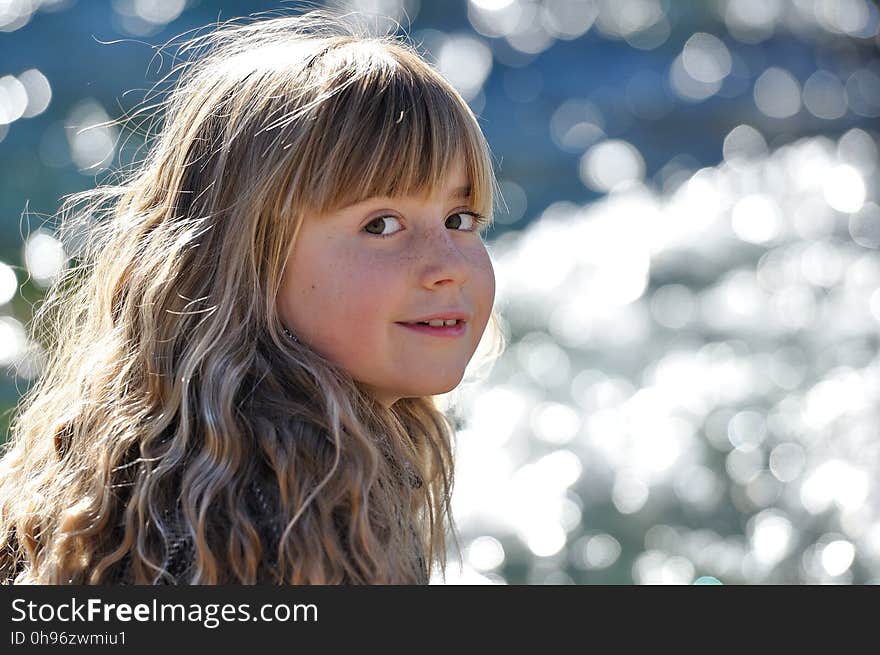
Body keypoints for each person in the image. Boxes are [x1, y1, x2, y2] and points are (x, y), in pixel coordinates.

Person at [0, 8, 504, 585]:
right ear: (245, 261)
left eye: (460, 218)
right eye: (382, 225)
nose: (447, 268)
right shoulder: (277, 521)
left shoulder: (169, 458)